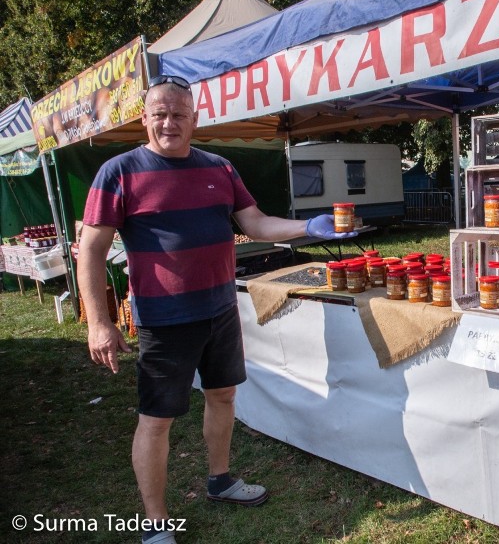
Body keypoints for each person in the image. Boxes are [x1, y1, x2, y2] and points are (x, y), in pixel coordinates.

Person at [77, 75, 356, 544]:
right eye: (160, 114)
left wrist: (310, 224)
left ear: (195, 119)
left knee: (223, 396)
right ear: (144, 118)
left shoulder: (219, 168)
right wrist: (99, 323)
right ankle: (155, 524)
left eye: (179, 114)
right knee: (157, 418)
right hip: (163, 319)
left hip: (220, 308)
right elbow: (90, 250)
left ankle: (220, 480)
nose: (169, 123)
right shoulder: (119, 172)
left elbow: (257, 223)